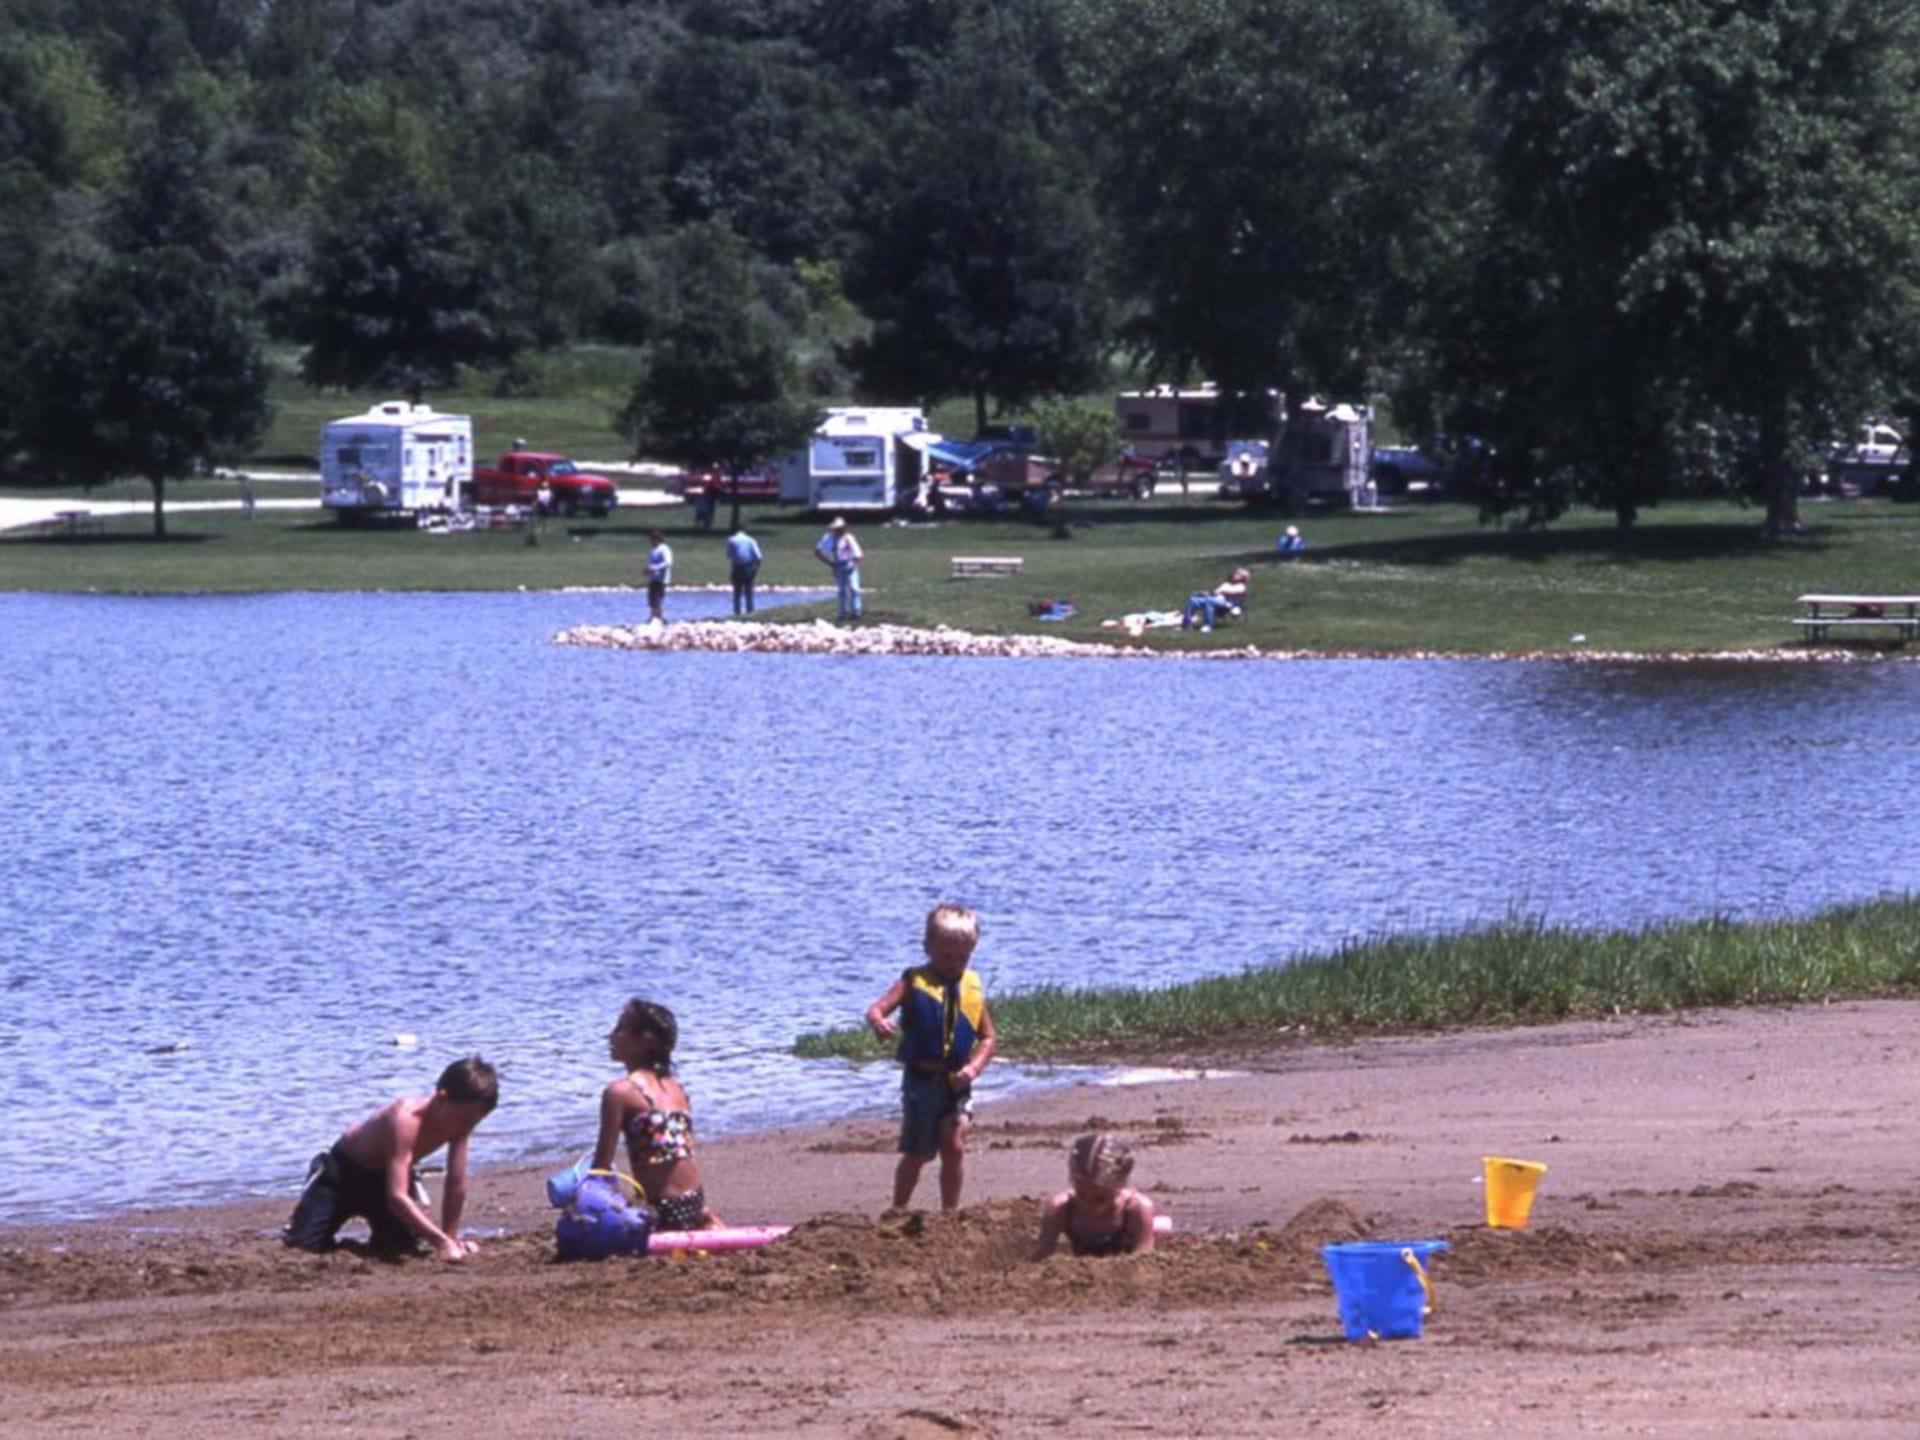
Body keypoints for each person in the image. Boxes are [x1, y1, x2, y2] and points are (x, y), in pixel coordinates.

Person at [283, 1056, 498, 1261]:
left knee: (400, 1247)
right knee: (303, 1246)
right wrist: (440, 1242)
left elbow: (456, 1182)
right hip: (342, 1173)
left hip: (385, 1177)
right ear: (442, 1097)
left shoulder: (459, 1126)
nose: (466, 1126)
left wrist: (451, 1237)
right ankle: (310, 1203)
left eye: (473, 1121)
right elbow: (397, 1196)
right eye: (464, 1118)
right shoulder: (404, 1118)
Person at [865, 904, 996, 1211]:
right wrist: (879, 1023)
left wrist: (974, 1068)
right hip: (920, 1083)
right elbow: (876, 1009)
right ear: (928, 948)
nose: (953, 965)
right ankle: (898, 1208)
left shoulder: (971, 988)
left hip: (956, 1084)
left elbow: (988, 1037)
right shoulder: (913, 982)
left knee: (954, 1146)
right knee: (918, 1153)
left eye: (962, 958)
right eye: (946, 957)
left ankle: (950, 1212)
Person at [592, 999, 721, 1231]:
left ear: (645, 1041)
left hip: (663, 1212)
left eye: (620, 1029)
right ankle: (705, 1220)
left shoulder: (620, 1092)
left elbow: (601, 1167)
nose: (610, 1036)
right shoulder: (677, 1089)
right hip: (695, 1203)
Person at [1032, 1133, 1157, 1260]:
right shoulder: (1062, 1208)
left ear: (1120, 1185)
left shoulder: (1136, 1210)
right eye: (1081, 1194)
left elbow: (1144, 1258)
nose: (1089, 1205)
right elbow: (1042, 1255)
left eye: (1100, 1199)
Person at [814, 516, 863, 622]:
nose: (838, 530)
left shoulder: (848, 538)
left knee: (854, 588)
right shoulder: (829, 537)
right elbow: (817, 550)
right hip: (838, 565)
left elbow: (858, 554)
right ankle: (842, 612)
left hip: (849, 563)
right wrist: (830, 563)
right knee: (842, 590)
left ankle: (856, 611)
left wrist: (853, 565)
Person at [1182, 567, 1250, 632]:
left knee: (1209, 602)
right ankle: (1187, 625)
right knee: (1193, 600)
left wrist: (1232, 605)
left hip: (1225, 603)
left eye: (1239, 575)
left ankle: (1207, 626)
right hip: (1213, 598)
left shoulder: (1241, 587)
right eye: (1236, 573)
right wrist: (1204, 593)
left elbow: (1239, 600)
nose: (1235, 575)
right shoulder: (1226, 584)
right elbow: (1214, 592)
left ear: (1243, 578)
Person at [726, 521, 764, 616]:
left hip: (737, 567)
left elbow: (729, 555)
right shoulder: (751, 540)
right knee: (749, 592)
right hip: (748, 567)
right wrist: (755, 569)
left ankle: (737, 613)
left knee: (737, 593)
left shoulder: (731, 540)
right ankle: (750, 612)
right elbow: (759, 557)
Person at [645, 528, 673, 623]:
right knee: (651, 600)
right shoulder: (653, 550)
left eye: (652, 540)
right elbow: (650, 563)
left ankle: (660, 619)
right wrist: (647, 570)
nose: (651, 542)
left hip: (661, 579)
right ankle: (653, 618)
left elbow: (668, 563)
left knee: (658, 600)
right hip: (653, 579)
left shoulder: (664, 549)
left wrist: (655, 568)